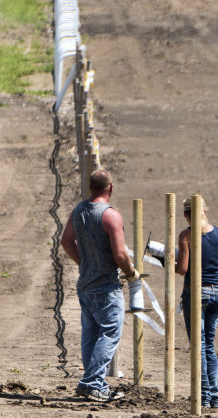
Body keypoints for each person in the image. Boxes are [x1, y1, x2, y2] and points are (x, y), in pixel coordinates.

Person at [60, 169, 135, 402]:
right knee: (110, 333)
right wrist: (131, 273)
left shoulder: (79, 211)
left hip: (85, 284)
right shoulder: (110, 216)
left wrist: (84, 263)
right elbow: (120, 254)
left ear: (90, 187)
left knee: (91, 335)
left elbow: (66, 241)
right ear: (110, 188)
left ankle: (94, 383)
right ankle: (92, 383)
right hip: (106, 286)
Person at [176, 196, 218, 409]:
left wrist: (171, 261)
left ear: (186, 215)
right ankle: (214, 395)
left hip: (196, 292)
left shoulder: (186, 236)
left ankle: (205, 396)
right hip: (217, 290)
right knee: (209, 345)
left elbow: (182, 269)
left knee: (198, 345)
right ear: (204, 211)